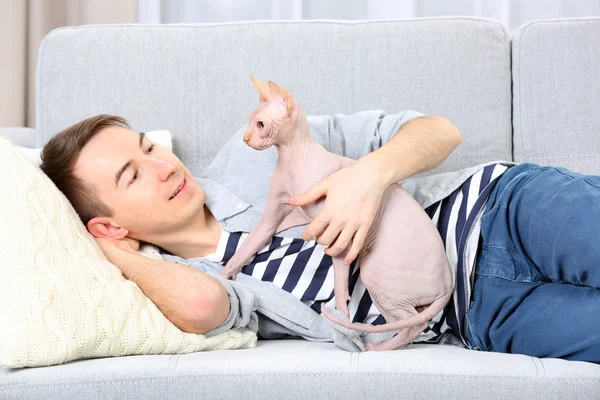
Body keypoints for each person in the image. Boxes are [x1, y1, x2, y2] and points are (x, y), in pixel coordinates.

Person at [39, 111, 600, 362]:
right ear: (109, 225)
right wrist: (105, 251)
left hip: (501, 210)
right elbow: (202, 303)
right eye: (132, 175)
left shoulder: (253, 156)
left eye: (148, 146)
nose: (163, 165)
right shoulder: (190, 281)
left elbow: (438, 131)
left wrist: (368, 177)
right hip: (481, 315)